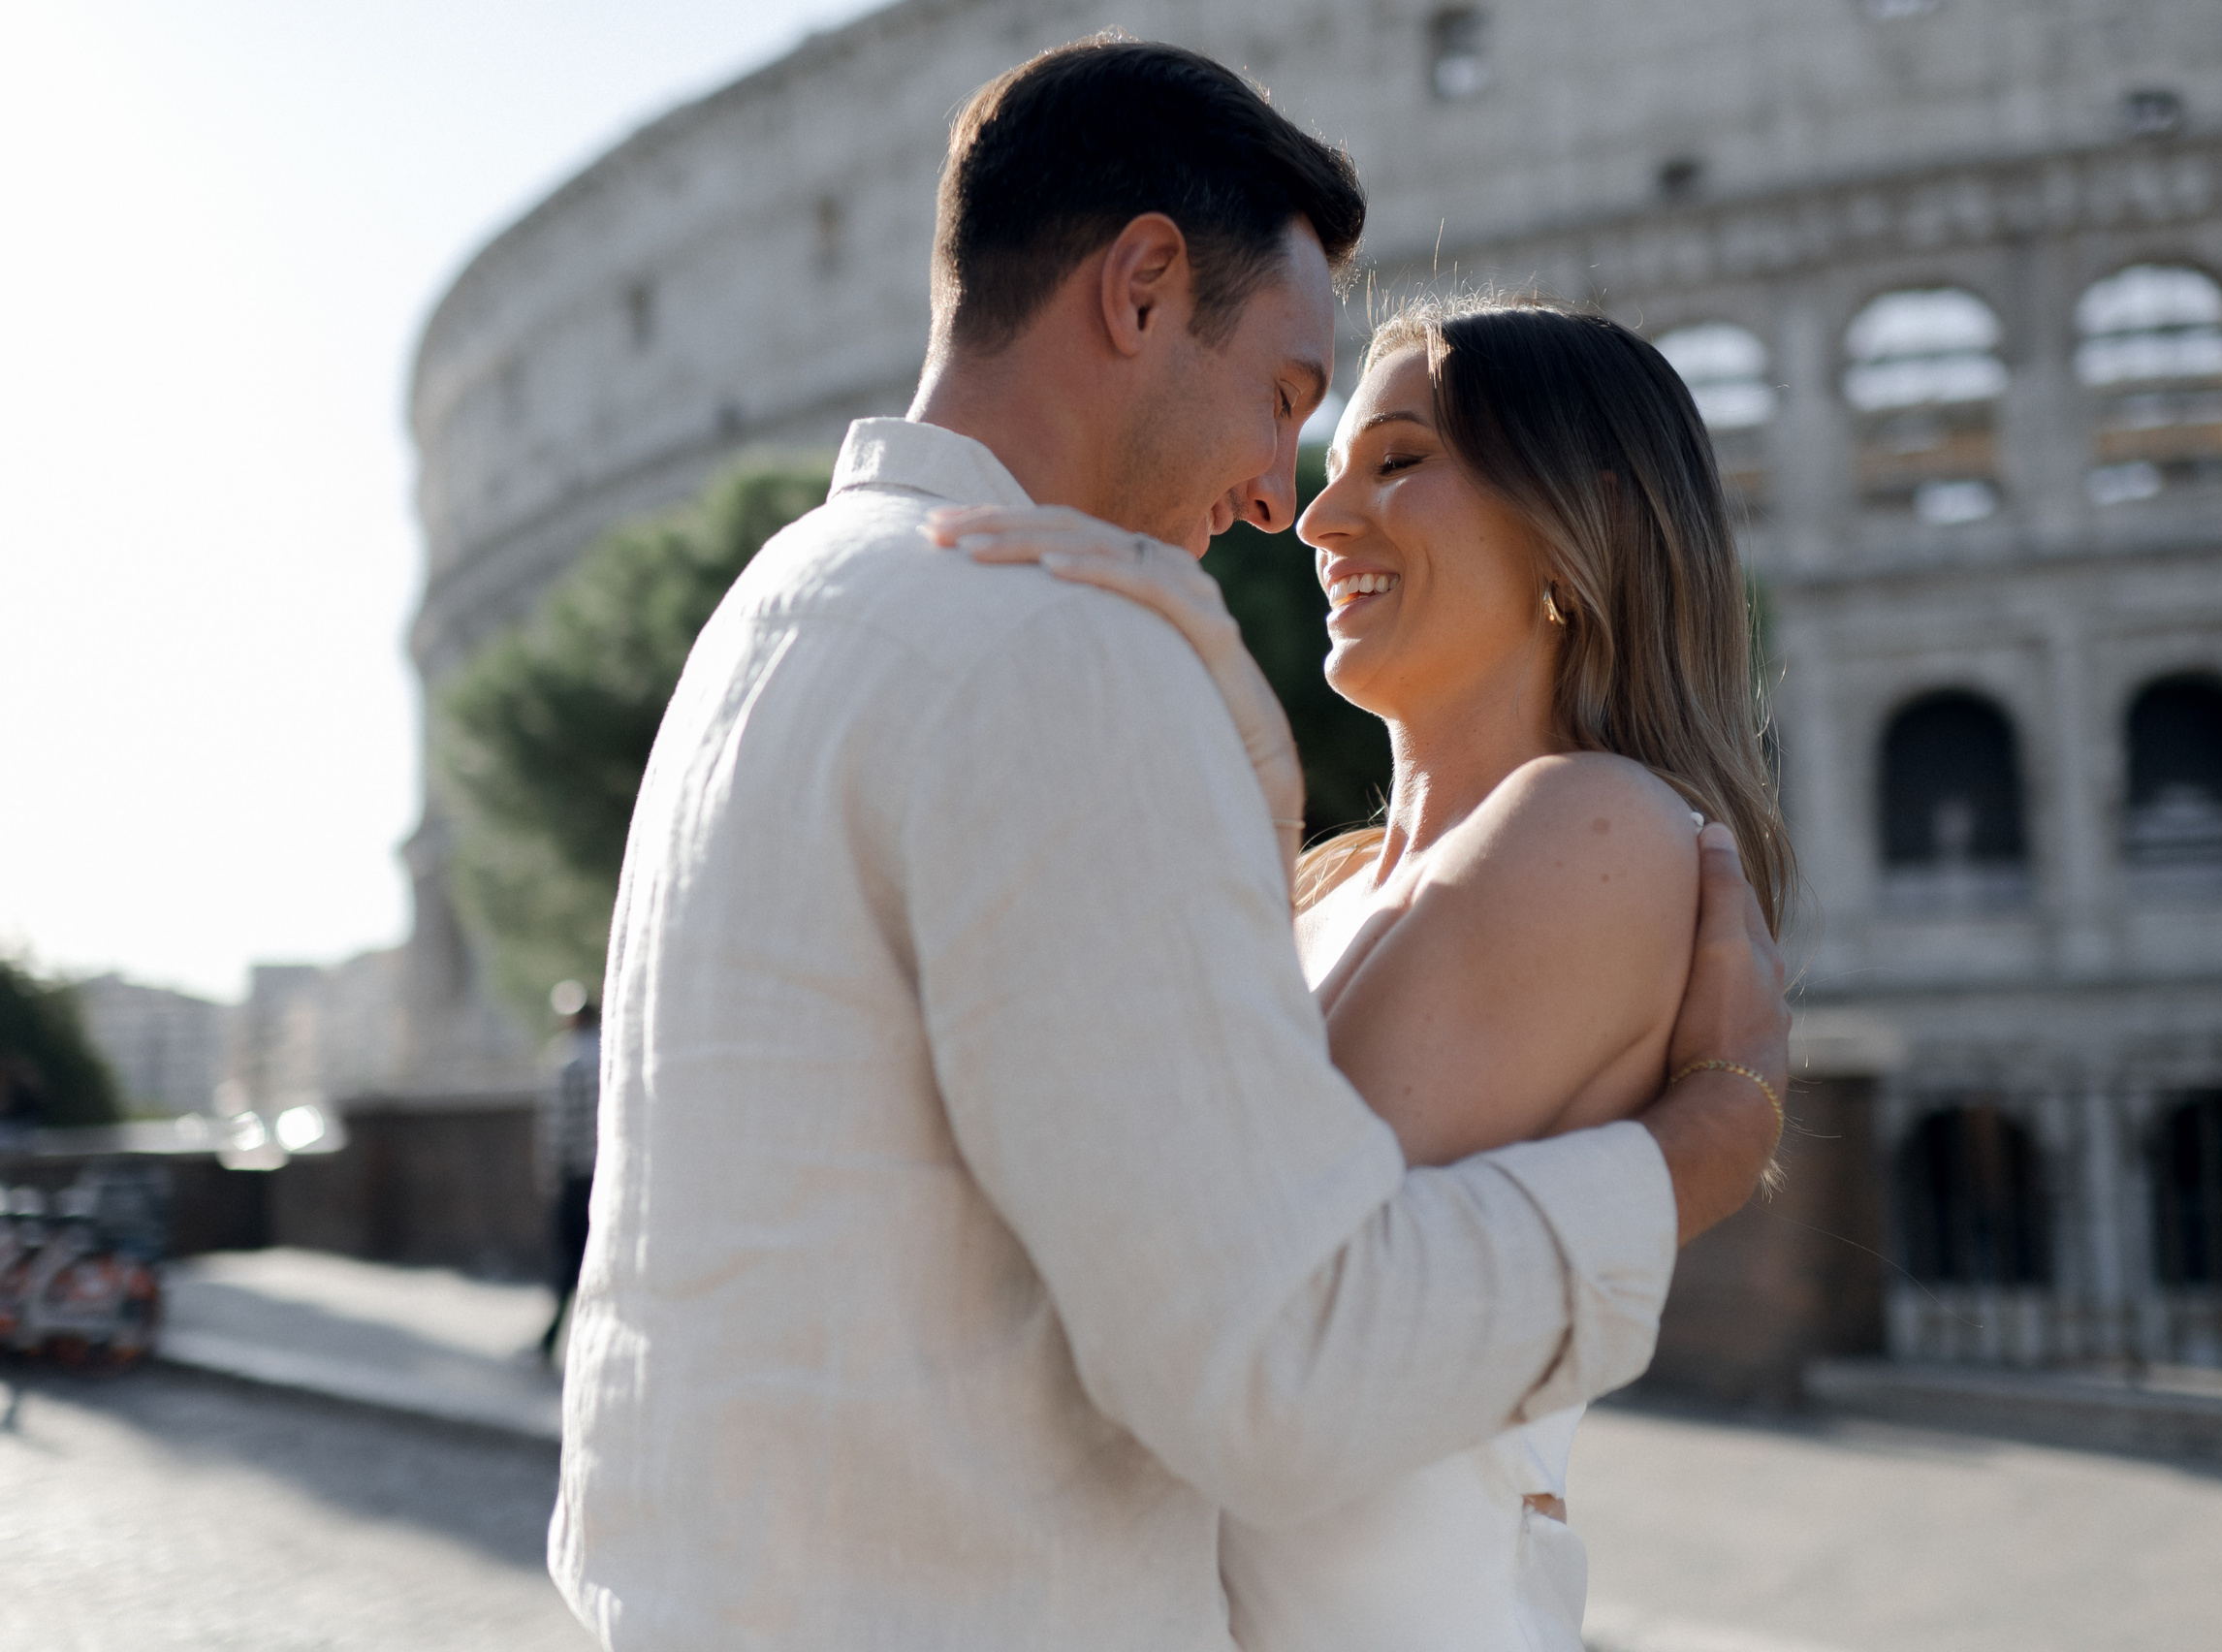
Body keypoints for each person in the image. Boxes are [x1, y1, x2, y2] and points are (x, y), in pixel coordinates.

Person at [550, 38, 1787, 1651]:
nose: (1289, 501)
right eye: (1288, 398)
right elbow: (1292, 1348)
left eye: (1370, 452)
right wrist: (1703, 1142)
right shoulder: (1057, 651)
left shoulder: (785, 604)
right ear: (1141, 287)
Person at [936, 295, 1792, 1649]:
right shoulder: (1331, 881)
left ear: (1588, 519)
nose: (1320, 525)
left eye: (1398, 461)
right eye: (1332, 473)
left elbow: (1245, 1282)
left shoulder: (1594, 821)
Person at [536, 980, 600, 1363]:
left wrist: (550, 1172)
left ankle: (552, 1343)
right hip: (605, 1174)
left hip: (576, 1175)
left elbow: (557, 1127)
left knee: (569, 1260)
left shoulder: (567, 1060)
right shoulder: (609, 1053)